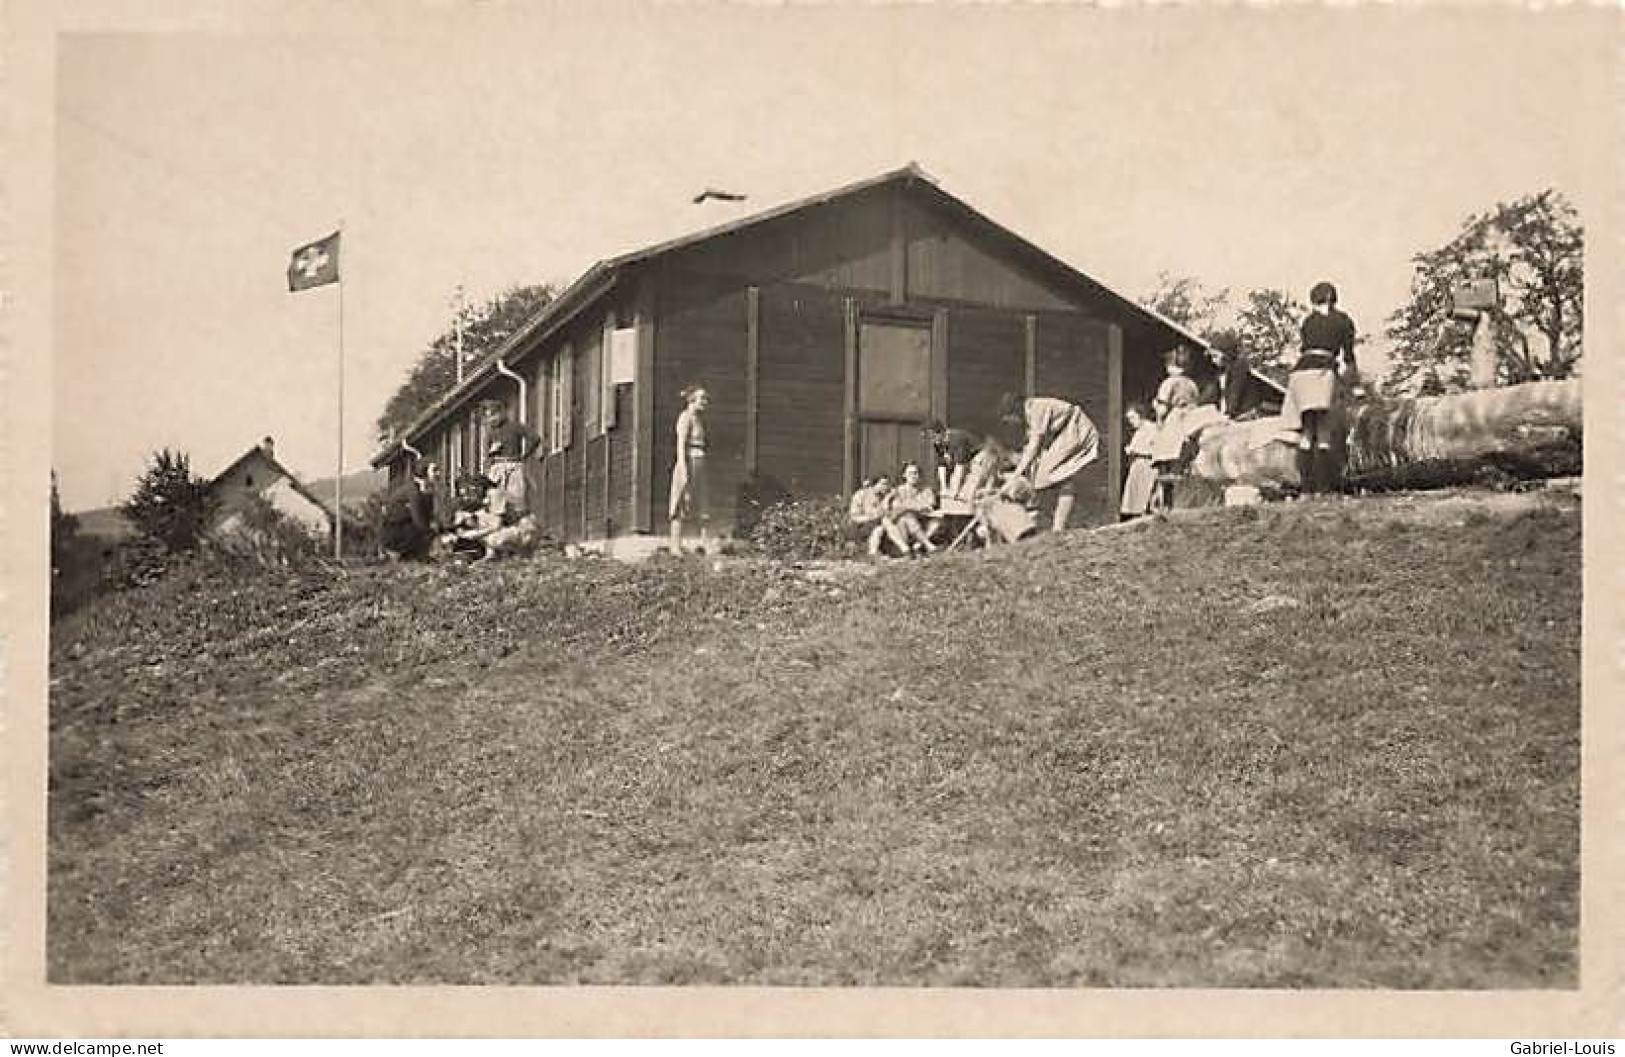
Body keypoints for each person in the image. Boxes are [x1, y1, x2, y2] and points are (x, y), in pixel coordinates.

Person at [1283, 281, 1358, 493]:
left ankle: (1306, 489)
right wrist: (1353, 383)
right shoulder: (1343, 321)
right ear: (1333, 299)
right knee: (1324, 432)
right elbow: (1349, 356)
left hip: (1299, 375)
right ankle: (1324, 488)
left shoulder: (1307, 322)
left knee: (1307, 433)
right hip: (1322, 373)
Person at [997, 393, 1101, 533]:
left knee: (1051, 475)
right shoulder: (1029, 415)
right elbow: (1032, 446)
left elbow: (1035, 445)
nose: (1012, 421)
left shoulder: (1036, 409)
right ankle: (1054, 523)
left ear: (1016, 409)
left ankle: (1057, 525)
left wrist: (1017, 474)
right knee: (1046, 476)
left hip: (1075, 430)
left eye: (1010, 416)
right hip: (1063, 434)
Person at [1150, 347, 1201, 511]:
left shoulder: (1169, 383)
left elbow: (1163, 408)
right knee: (1184, 466)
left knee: (1166, 463)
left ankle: (1166, 505)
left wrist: (1156, 409)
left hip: (1174, 423)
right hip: (1191, 422)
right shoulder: (1192, 384)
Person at [668, 385, 711, 553]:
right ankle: (675, 546)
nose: (705, 402)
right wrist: (683, 468)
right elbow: (680, 445)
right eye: (702, 399)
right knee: (681, 500)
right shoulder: (685, 418)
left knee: (702, 501)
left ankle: (703, 543)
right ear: (692, 400)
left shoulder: (698, 419)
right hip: (687, 460)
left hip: (700, 461)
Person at [482, 402, 539, 519]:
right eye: (488, 417)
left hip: (513, 467)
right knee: (495, 501)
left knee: (516, 500)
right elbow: (487, 454)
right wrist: (488, 469)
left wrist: (524, 455)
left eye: (493, 415)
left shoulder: (515, 426)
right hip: (496, 470)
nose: (491, 419)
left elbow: (535, 438)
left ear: (501, 413)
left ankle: (518, 526)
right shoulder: (490, 432)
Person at [923, 420, 981, 508]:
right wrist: (944, 488)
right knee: (951, 486)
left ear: (941, 433)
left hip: (982, 455)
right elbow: (941, 465)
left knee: (963, 486)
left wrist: (954, 490)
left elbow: (960, 466)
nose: (931, 441)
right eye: (929, 438)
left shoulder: (957, 438)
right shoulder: (938, 442)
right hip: (967, 460)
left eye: (932, 437)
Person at [846, 475, 908, 557]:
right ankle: (905, 548)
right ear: (874, 484)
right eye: (883, 484)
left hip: (880, 527)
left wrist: (887, 499)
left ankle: (873, 554)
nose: (886, 487)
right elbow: (854, 517)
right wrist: (871, 517)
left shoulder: (886, 495)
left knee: (879, 528)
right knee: (883, 522)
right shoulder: (861, 494)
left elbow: (894, 512)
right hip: (861, 527)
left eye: (887, 484)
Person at [888, 462, 939, 554]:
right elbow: (897, 508)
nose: (914, 476)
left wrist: (911, 506)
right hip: (903, 525)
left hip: (922, 522)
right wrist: (918, 507)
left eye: (916, 473)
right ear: (904, 475)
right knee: (907, 517)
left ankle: (918, 545)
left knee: (937, 521)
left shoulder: (926, 490)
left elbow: (931, 505)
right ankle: (927, 545)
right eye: (910, 473)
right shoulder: (898, 491)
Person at [1120, 404, 1158, 521]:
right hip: (1137, 464)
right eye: (1129, 419)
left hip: (1147, 464)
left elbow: (1156, 448)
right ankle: (1135, 516)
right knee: (1134, 493)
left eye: (1132, 418)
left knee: (1145, 492)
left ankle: (1144, 514)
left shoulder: (1152, 428)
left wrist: (1136, 450)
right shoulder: (1138, 431)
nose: (1131, 421)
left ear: (1140, 416)